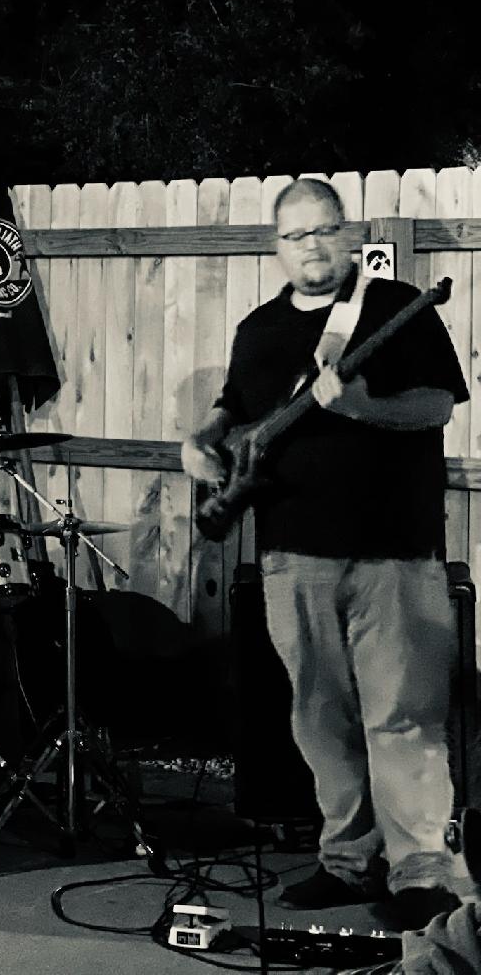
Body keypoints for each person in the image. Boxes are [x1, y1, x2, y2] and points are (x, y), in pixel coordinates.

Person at [181, 177, 466, 930]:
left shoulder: (399, 310)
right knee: (319, 716)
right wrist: (199, 442)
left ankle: (421, 876)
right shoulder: (259, 330)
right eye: (296, 235)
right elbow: (236, 413)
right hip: (291, 554)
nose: (312, 246)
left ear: (347, 234)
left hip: (394, 551)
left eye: (323, 231)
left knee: (404, 717)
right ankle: (347, 859)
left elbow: (436, 405)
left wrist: (362, 406)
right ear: (278, 247)